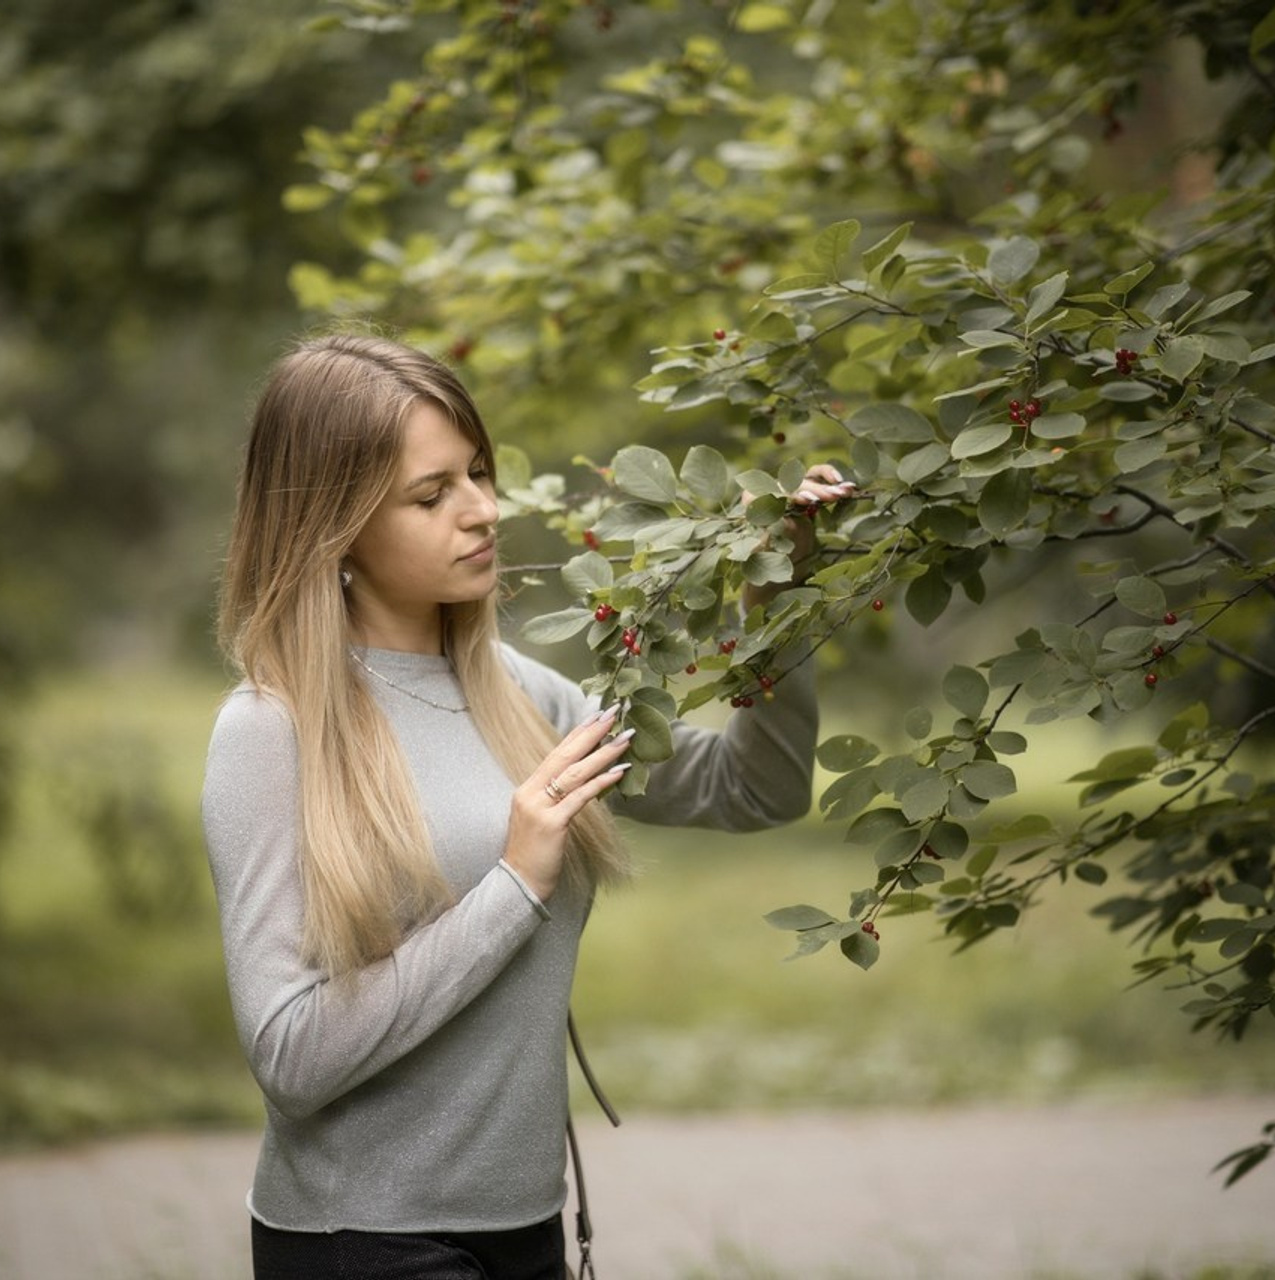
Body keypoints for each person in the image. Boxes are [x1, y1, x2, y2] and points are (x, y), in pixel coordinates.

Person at [201, 331, 852, 1280]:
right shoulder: (272, 731)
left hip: (529, 1230)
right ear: (332, 524)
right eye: (433, 495)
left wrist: (783, 592)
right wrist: (515, 882)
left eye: (478, 473)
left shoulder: (523, 696)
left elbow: (754, 789)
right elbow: (291, 1060)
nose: (483, 511)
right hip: (361, 1241)